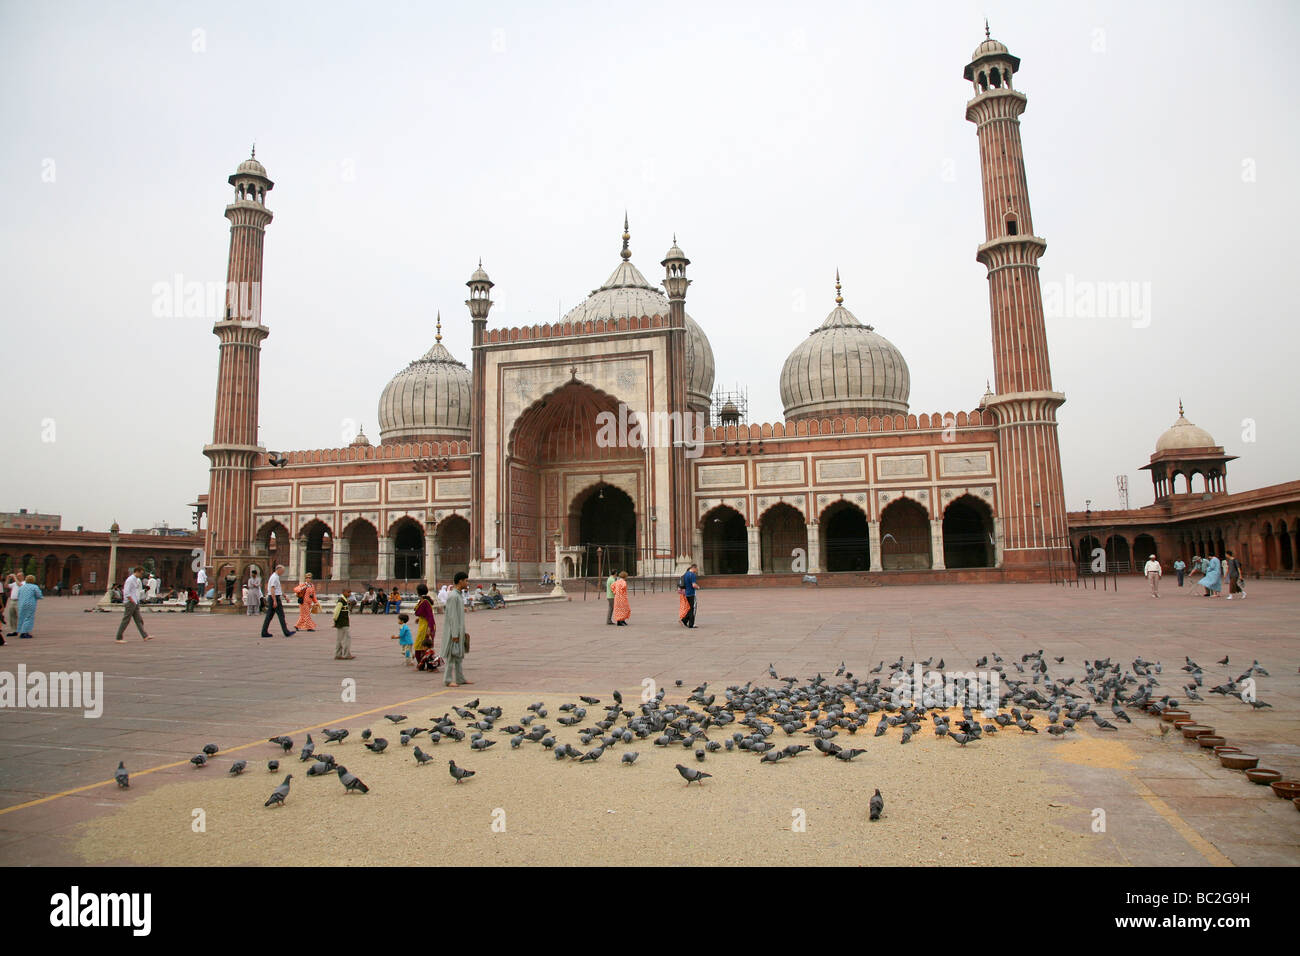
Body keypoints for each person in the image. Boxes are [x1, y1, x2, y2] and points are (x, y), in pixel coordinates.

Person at [441, 571, 472, 687]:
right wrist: (454, 634)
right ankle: (447, 680)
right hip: (453, 631)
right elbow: (453, 616)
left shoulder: (458, 595)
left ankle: (460, 678)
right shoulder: (453, 596)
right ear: (460, 581)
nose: (467, 583)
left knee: (459, 655)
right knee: (451, 656)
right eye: (466, 580)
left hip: (459, 630)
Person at [114, 567, 151, 643]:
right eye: (141, 573)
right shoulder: (130, 580)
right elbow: (126, 592)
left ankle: (145, 636)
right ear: (137, 572)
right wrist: (132, 601)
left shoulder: (135, 580)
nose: (142, 575)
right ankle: (118, 637)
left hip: (135, 601)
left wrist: (135, 601)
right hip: (130, 602)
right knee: (126, 620)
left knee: (139, 620)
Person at [261, 565, 297, 637]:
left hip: (274, 597)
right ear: (278, 569)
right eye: (282, 571)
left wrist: (284, 596)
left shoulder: (276, 577)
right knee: (281, 615)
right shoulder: (274, 577)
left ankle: (264, 632)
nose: (283, 573)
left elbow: (278, 589)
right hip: (274, 598)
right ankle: (286, 632)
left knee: (269, 616)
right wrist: (274, 601)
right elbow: (272, 589)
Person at [413, 584, 442, 671]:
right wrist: (419, 619)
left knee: (421, 645)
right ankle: (425, 665)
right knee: (424, 645)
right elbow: (424, 613)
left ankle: (424, 665)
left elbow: (430, 616)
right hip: (423, 624)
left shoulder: (425, 602)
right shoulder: (423, 601)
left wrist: (429, 628)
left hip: (426, 626)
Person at [14, 575, 42, 639]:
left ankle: (20, 630)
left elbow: (18, 595)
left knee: (21, 617)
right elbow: (39, 595)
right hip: (30, 604)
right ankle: (25, 632)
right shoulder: (34, 587)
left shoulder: (22, 587)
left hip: (21, 604)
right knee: (28, 617)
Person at [333, 588, 355, 660]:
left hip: (343, 622)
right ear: (343, 592)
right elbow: (336, 612)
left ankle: (338, 654)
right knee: (346, 638)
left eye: (350, 593)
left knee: (340, 639)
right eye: (348, 592)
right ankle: (346, 654)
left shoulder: (345, 601)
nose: (349, 594)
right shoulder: (341, 601)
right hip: (342, 622)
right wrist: (335, 620)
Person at [680, 563, 700, 627]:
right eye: (696, 569)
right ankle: (691, 624)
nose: (697, 570)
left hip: (687, 593)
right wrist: (698, 587)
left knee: (690, 608)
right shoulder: (692, 575)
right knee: (693, 609)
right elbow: (693, 585)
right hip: (691, 593)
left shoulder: (686, 574)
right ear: (694, 568)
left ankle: (684, 620)